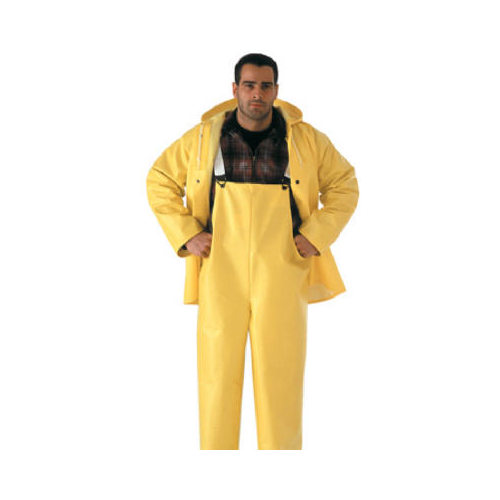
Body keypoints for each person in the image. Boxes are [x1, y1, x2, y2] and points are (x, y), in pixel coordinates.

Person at [146, 53, 359, 450]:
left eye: (265, 85)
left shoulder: (307, 140)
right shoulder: (203, 139)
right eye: (249, 85)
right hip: (219, 268)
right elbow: (159, 179)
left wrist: (315, 235)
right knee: (216, 375)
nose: (256, 93)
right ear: (235, 89)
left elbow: (344, 184)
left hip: (283, 269)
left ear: (276, 90)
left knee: (281, 374)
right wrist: (187, 234)